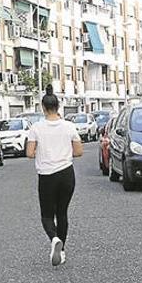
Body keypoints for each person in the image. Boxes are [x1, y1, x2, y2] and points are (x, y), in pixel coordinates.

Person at [26, 85, 84, 266]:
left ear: (43, 108)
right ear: (58, 107)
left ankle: (53, 239)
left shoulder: (36, 128)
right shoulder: (69, 126)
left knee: (47, 215)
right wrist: (63, 152)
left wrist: (43, 152)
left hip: (47, 175)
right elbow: (79, 151)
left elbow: (29, 153)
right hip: (67, 173)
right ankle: (62, 250)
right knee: (62, 213)